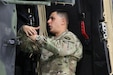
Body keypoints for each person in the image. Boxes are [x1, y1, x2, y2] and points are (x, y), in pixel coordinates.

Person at [21, 9, 83, 75]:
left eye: (52, 19)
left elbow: (60, 49)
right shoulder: (47, 41)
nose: (48, 21)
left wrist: (37, 38)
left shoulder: (71, 39)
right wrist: (23, 30)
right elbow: (26, 47)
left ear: (63, 21)